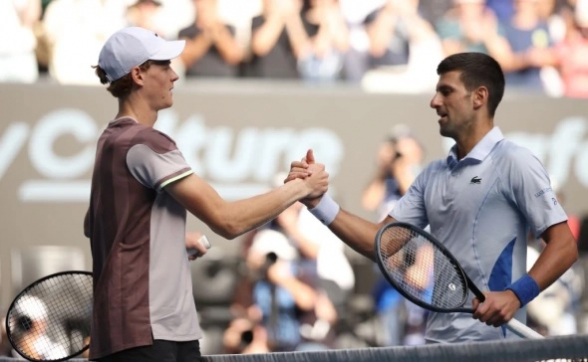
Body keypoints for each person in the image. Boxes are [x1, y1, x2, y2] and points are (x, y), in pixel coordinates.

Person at [286, 52, 578, 343]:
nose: (434, 101)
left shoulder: (515, 162)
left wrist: (515, 296)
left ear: (479, 97)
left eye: (446, 91)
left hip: (495, 346)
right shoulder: (432, 175)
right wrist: (317, 202)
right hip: (438, 344)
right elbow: (382, 243)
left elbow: (564, 246)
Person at [85, 26, 328, 362]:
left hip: (139, 333)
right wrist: (302, 189)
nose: (174, 76)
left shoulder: (109, 142)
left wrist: (169, 240)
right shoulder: (145, 142)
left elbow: (102, 227)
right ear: (138, 74)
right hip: (150, 335)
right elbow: (227, 221)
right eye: (165, 66)